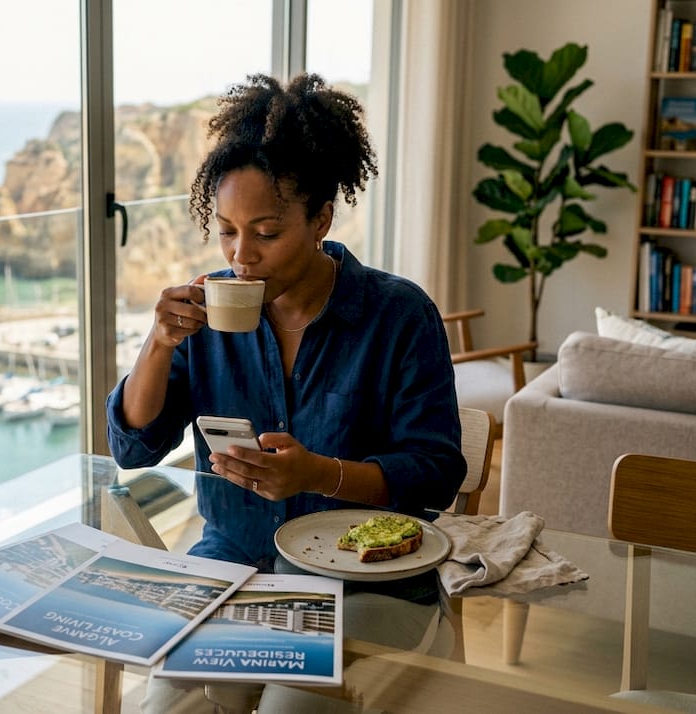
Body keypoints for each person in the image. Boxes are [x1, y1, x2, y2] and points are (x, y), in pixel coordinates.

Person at [105, 73, 466, 710]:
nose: (242, 256)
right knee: (165, 705)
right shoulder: (206, 312)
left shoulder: (399, 316)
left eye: (267, 233)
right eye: (226, 231)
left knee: (286, 706)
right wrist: (157, 343)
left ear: (321, 217)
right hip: (235, 560)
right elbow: (134, 448)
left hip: (363, 582)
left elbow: (435, 475)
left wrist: (319, 475)